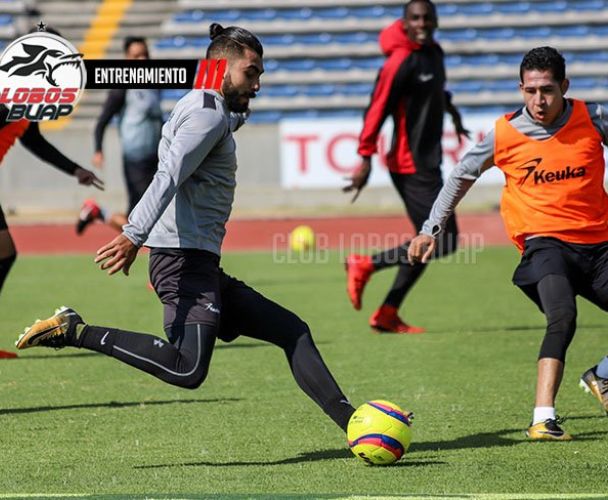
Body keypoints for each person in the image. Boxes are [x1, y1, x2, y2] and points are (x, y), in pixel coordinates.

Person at [16, 24, 357, 434]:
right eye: (251, 73)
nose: (258, 83)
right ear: (220, 67)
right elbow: (169, 174)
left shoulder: (205, 106)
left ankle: (353, 423)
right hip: (182, 262)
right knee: (188, 368)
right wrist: (133, 234)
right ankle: (75, 330)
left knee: (293, 331)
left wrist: (240, 105)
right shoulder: (206, 114)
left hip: (199, 262)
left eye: (260, 75)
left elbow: (217, 130)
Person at [408, 46, 608, 440]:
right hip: (543, 245)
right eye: (530, 91)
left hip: (599, 247)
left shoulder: (594, 118)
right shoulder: (505, 132)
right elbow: (459, 177)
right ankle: (543, 418)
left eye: (548, 91)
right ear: (521, 89)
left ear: (565, 87)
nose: (538, 101)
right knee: (563, 316)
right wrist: (430, 229)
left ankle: (605, 374)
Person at [342, 0, 469, 334]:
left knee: (426, 239)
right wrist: (365, 156)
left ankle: (387, 312)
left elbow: (438, 90)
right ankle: (365, 263)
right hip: (409, 163)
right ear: (406, 23)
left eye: (428, 17)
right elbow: (377, 108)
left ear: (436, 20)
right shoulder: (399, 61)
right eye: (416, 18)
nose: (422, 23)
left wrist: (453, 114)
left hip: (429, 161)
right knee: (443, 240)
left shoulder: (435, 53)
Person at [0, 106, 102, 357]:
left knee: (5, 253)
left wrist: (74, 169)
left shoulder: (25, 104)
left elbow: (34, 141)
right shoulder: (11, 99)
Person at [76, 36, 162, 235]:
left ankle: (97, 212)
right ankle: (99, 213)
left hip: (156, 157)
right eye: (136, 56)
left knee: (142, 218)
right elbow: (101, 121)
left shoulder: (155, 83)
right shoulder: (122, 87)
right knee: (146, 221)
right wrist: (98, 149)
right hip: (136, 160)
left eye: (145, 55)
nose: (142, 60)